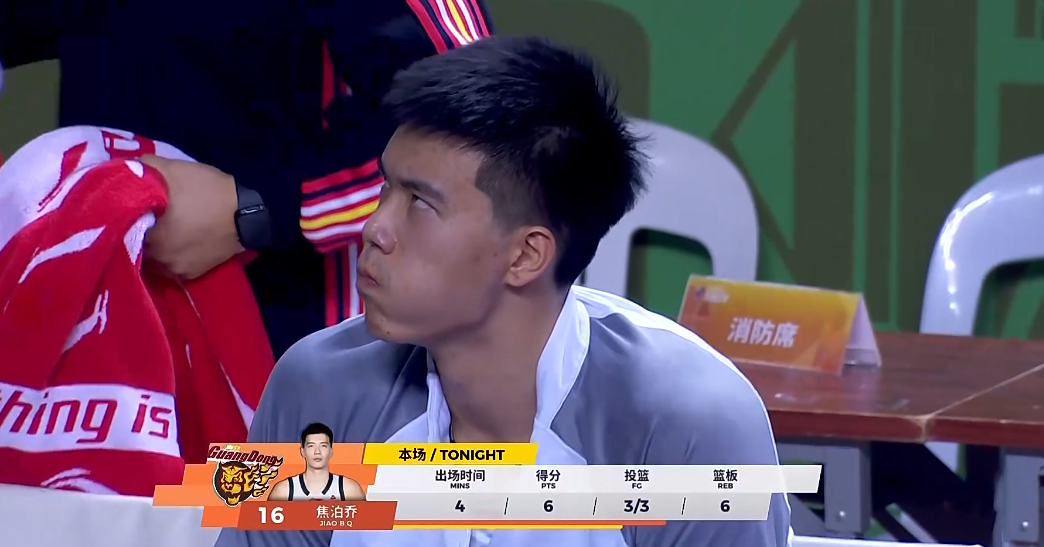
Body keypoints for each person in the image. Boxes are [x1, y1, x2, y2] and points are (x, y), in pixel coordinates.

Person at [216, 36, 791, 547]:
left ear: (525, 255)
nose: (374, 228)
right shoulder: (315, 388)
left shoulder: (691, 428)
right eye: (386, 188)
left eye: (420, 203)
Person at [0, 0, 493, 358]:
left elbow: (475, 119)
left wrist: (256, 208)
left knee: (266, 477)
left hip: (293, 345)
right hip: (95, 320)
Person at [268, 422, 365, 502]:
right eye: (311, 446)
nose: (317, 451)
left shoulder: (349, 490)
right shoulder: (283, 492)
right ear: (302, 451)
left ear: (331, 451)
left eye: (323, 446)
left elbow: (366, 519)